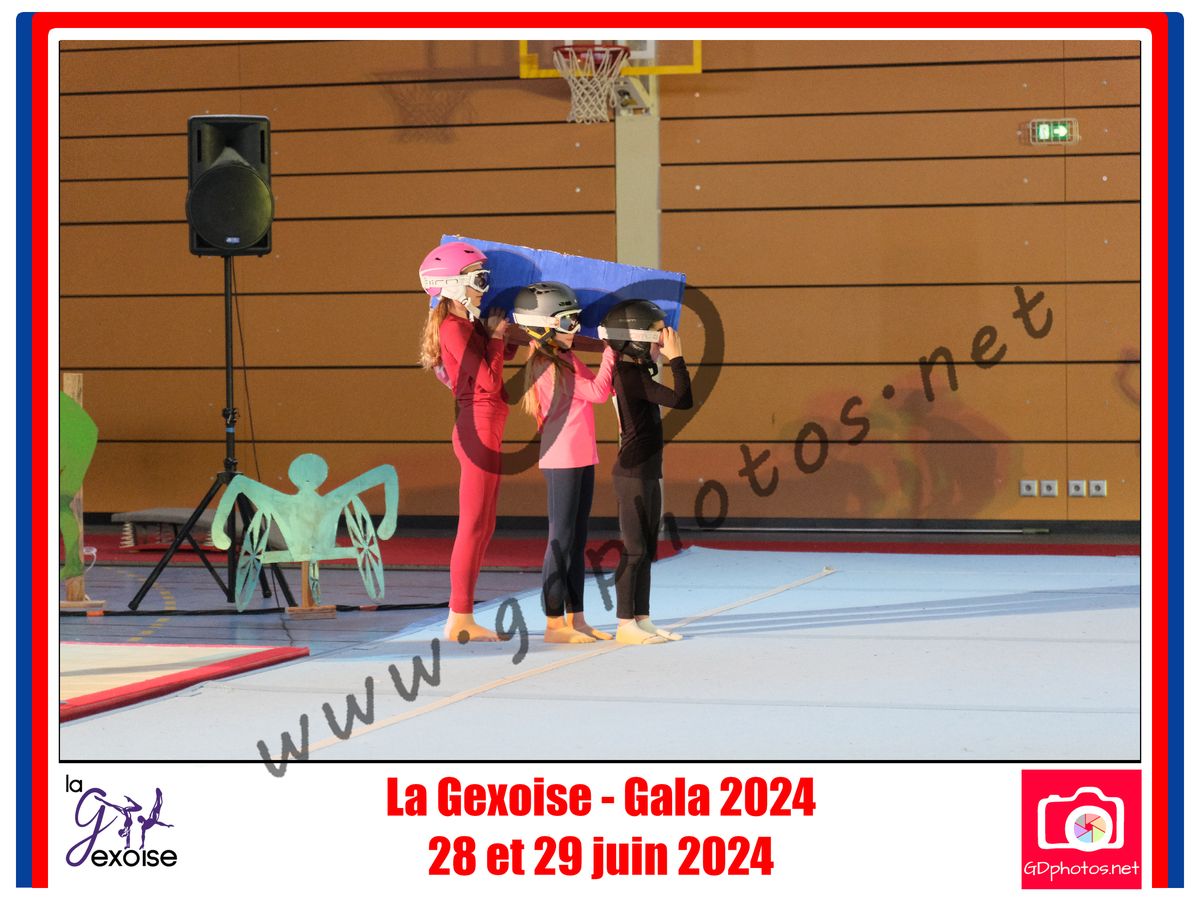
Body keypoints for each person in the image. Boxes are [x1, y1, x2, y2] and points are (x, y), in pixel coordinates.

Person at [418, 240, 515, 643]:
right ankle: (459, 616)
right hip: (477, 426)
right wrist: (495, 338)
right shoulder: (453, 328)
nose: (483, 288)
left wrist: (500, 336)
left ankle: (464, 614)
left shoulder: (467, 325)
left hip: (487, 425)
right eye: (478, 281)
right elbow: (488, 381)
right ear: (452, 286)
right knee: (473, 523)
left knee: (485, 524)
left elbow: (496, 361)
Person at [513, 282, 618, 644]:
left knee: (576, 539)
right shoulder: (548, 363)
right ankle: (554, 623)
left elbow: (603, 387)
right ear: (544, 326)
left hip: (582, 455)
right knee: (561, 538)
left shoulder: (566, 358)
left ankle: (577, 617)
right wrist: (610, 350)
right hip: (563, 458)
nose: (575, 329)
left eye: (575, 320)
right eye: (567, 322)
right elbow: (598, 393)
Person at [599, 300, 693, 645]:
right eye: (657, 335)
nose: (663, 341)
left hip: (647, 471)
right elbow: (682, 399)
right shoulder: (628, 375)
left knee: (647, 548)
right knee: (635, 549)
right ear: (636, 340)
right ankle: (625, 623)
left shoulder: (637, 372)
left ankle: (643, 618)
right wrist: (676, 358)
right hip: (633, 473)